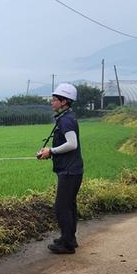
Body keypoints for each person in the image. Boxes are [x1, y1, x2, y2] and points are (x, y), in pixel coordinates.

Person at [37, 83, 84, 254]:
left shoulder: (66, 120)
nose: (52, 102)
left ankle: (67, 244)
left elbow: (72, 144)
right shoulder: (67, 117)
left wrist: (51, 151)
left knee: (61, 207)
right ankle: (69, 238)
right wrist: (49, 152)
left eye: (55, 99)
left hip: (70, 171)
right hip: (72, 169)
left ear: (64, 101)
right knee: (69, 205)